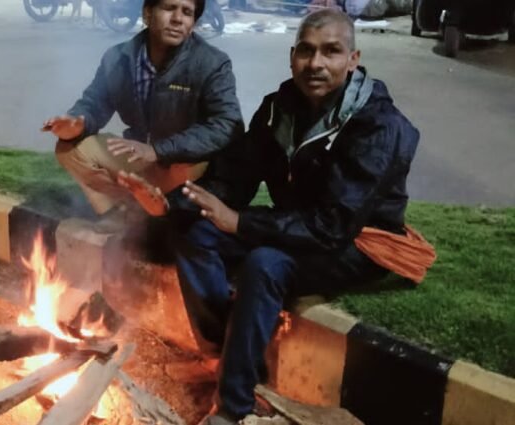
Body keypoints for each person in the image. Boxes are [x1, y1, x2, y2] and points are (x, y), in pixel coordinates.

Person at [118, 9, 432, 424]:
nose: (316, 63)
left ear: (352, 60)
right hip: (297, 225)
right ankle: (222, 354)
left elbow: (333, 225)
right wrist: (170, 204)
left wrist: (241, 223)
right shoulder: (278, 110)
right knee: (196, 233)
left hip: (357, 242)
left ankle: (233, 407)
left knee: (265, 264)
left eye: (331, 52)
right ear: (292, 56)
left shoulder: (378, 125)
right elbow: (235, 177)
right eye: (306, 51)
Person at [43, 0, 243, 232]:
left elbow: (228, 125)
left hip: (183, 165)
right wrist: (78, 123)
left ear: (193, 25)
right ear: (147, 14)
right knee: (69, 149)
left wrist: (159, 150)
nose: (178, 19)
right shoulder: (117, 59)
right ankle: (121, 211)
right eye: (169, 8)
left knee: (174, 210)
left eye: (187, 12)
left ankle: (155, 212)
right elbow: (94, 104)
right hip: (138, 157)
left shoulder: (211, 63)